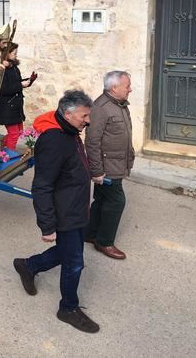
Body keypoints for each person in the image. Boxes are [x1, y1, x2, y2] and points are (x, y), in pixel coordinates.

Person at [12, 90, 100, 334]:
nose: (88, 120)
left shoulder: (71, 131)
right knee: (74, 263)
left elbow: (72, 167)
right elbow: (42, 186)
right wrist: (47, 226)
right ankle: (68, 308)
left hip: (77, 208)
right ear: (68, 114)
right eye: (85, 115)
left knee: (66, 252)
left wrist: (93, 175)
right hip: (65, 214)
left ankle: (29, 266)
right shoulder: (54, 140)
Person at [84, 71, 134, 260]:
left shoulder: (118, 104)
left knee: (102, 200)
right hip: (107, 167)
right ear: (114, 88)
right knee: (116, 201)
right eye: (127, 86)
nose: (130, 89)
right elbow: (92, 141)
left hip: (116, 163)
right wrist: (97, 171)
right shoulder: (101, 108)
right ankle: (104, 241)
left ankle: (89, 233)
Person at [0, 43, 36, 150]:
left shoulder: (13, 67)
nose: (16, 55)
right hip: (7, 107)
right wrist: (20, 85)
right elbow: (3, 89)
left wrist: (28, 81)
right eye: (14, 53)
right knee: (14, 133)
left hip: (15, 106)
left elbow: (16, 83)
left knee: (18, 132)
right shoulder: (3, 69)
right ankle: (7, 156)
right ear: (7, 54)